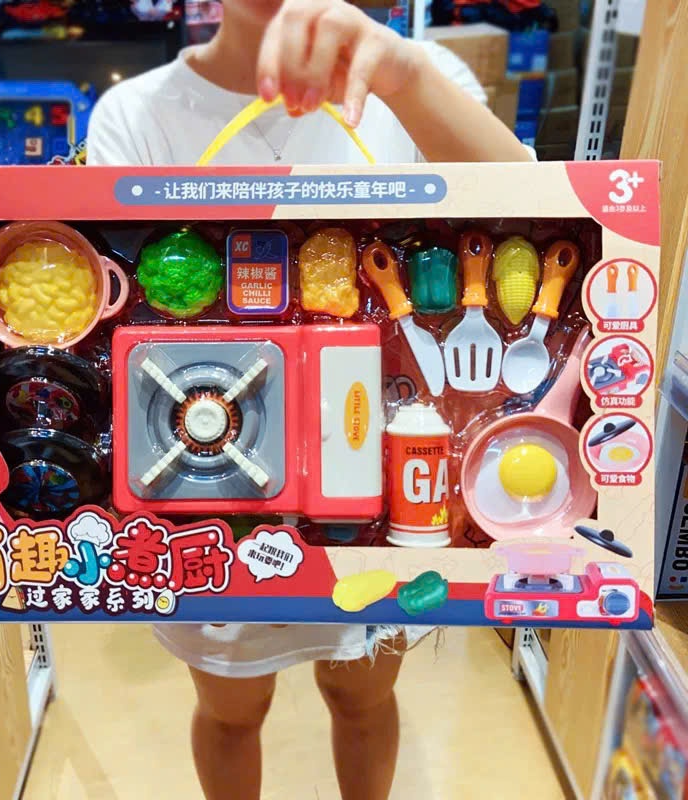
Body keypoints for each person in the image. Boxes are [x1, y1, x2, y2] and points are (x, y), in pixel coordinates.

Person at [88, 3, 531, 798]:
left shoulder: (422, 82)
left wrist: (402, 75)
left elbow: (548, 213)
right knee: (231, 709)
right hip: (207, 497)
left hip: (388, 483)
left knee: (362, 694)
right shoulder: (135, 112)